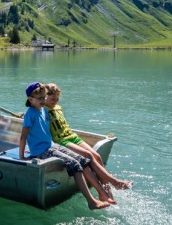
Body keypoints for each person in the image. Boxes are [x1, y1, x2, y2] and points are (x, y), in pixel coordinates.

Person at [19, 82, 111, 210]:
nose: (43, 100)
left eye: (44, 97)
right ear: (30, 99)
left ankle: (102, 193)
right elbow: (23, 137)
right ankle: (91, 201)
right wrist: (22, 157)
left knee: (82, 161)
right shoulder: (30, 113)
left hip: (51, 146)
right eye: (40, 98)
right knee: (75, 165)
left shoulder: (43, 111)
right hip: (41, 150)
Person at [44, 82, 131, 191]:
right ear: (45, 97)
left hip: (71, 136)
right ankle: (115, 182)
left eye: (57, 99)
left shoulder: (58, 108)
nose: (55, 101)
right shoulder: (42, 110)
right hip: (61, 140)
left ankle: (107, 190)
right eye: (52, 99)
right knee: (88, 155)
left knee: (97, 156)